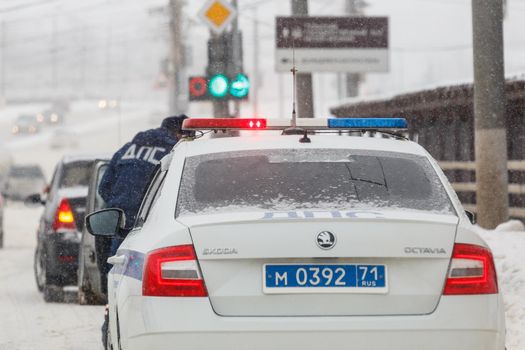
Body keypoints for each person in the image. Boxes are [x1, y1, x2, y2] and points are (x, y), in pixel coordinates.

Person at [97, 114, 189, 348]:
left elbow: (104, 186)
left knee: (119, 285)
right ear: (179, 133)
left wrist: (121, 208)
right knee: (144, 289)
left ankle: (114, 326)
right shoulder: (174, 152)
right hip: (150, 228)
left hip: (121, 227)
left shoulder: (129, 147)